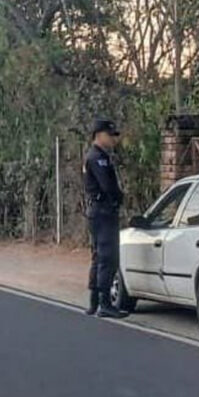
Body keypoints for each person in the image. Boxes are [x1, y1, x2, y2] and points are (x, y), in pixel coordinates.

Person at [84, 118, 129, 319]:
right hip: (103, 211)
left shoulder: (96, 156)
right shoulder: (97, 158)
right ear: (99, 135)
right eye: (110, 135)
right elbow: (107, 186)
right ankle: (104, 302)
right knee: (108, 257)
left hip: (98, 212)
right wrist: (118, 198)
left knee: (98, 256)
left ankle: (94, 300)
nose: (113, 139)